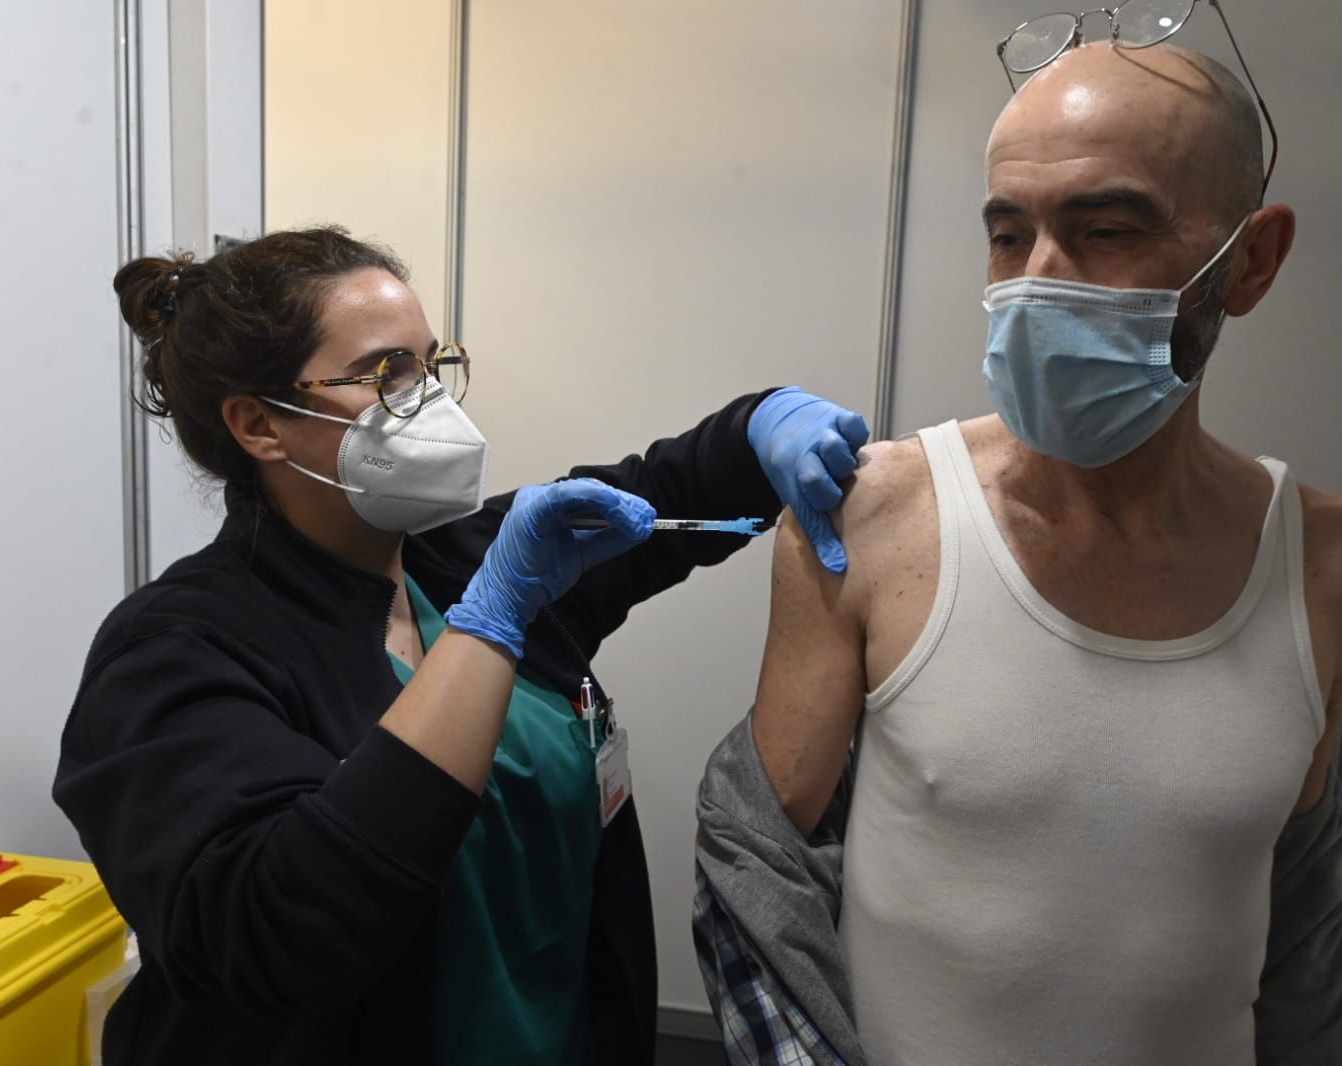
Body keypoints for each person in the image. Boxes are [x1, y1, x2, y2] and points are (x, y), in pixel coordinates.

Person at [697, 34, 1342, 1066]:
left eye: (1105, 228)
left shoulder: (1336, 566)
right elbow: (758, 858)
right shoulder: (875, 518)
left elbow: (1299, 903)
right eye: (1006, 233)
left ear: (1250, 260)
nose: (1036, 282)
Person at [53, 226, 868, 1066]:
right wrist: (492, 624)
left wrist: (770, 422)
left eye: (431, 365)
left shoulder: (465, 561)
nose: (432, 402)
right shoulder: (173, 653)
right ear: (260, 425)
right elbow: (284, 931)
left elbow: (673, 483)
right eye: (386, 376)